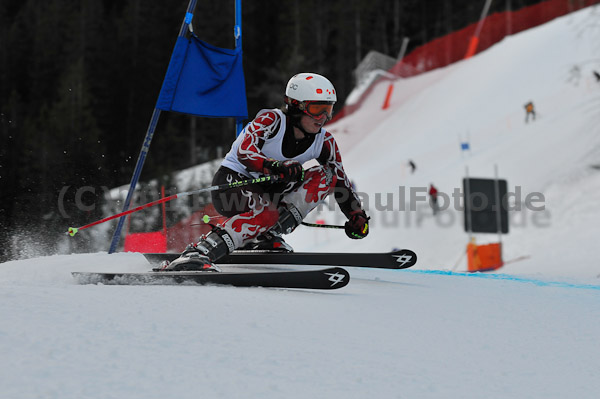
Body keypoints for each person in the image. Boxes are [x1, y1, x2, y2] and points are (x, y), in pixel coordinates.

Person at [160, 73, 369, 271]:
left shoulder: (324, 141)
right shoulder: (272, 120)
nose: (323, 117)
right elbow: (245, 150)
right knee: (266, 212)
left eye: (329, 109)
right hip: (233, 185)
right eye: (317, 109)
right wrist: (275, 166)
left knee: (327, 176)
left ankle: (266, 235)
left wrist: (355, 215)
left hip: (271, 192)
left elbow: (340, 179)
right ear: (296, 105)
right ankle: (199, 252)